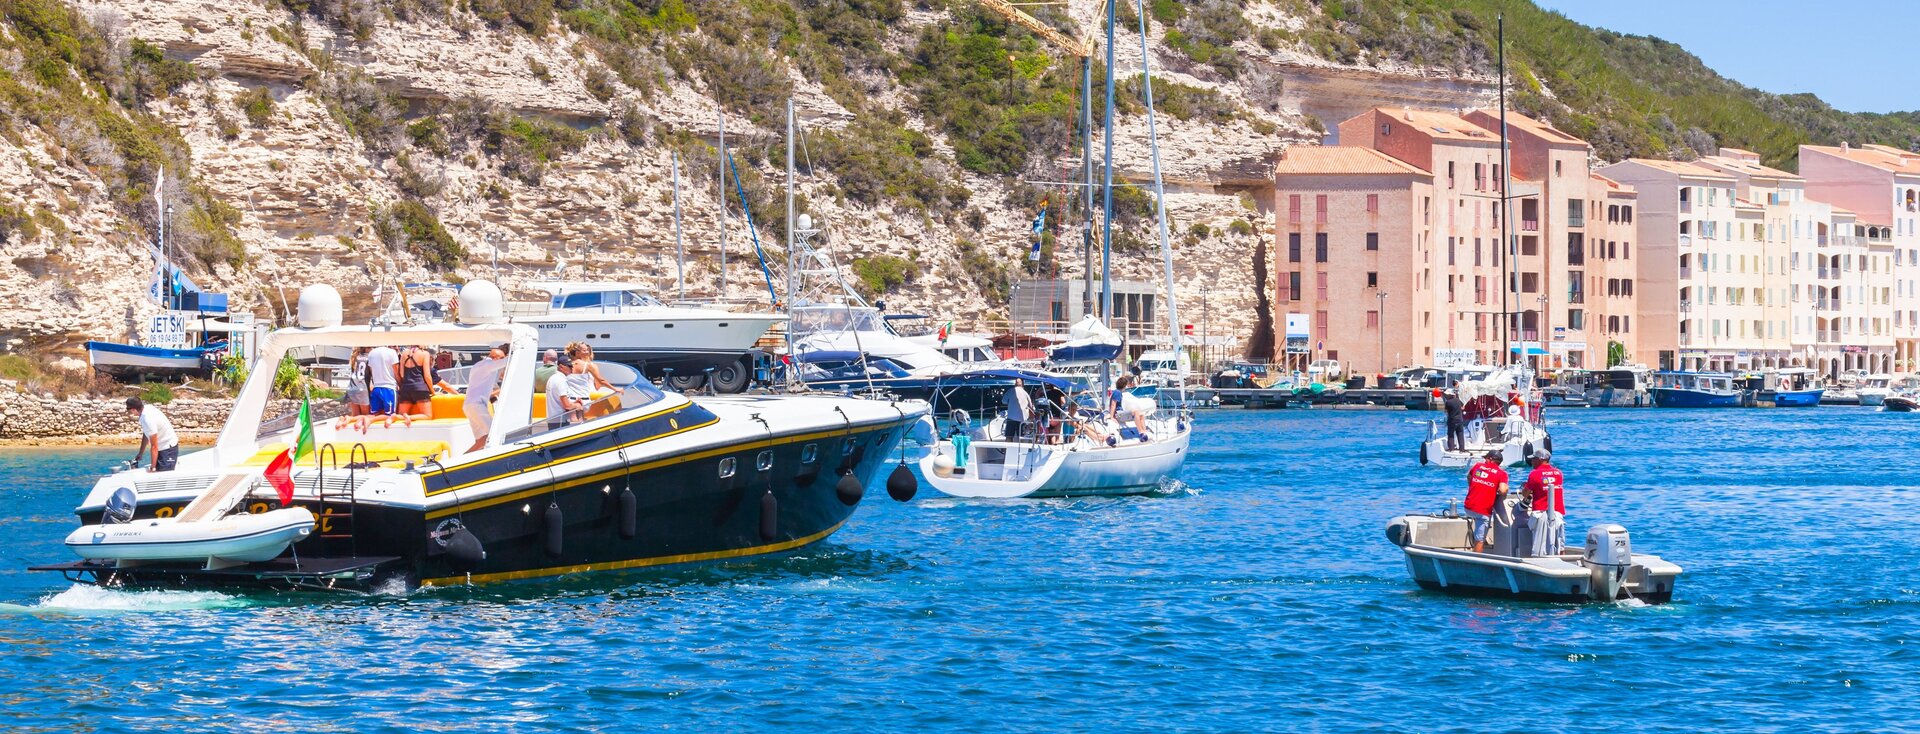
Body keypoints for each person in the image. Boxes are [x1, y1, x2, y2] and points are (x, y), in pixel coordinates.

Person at [463, 344, 510, 453]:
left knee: (481, 440)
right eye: (501, 359)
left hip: (469, 405)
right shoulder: (488, 365)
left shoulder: (478, 365)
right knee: (492, 436)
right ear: (496, 358)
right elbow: (508, 361)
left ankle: (466, 461)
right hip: (477, 405)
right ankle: (462, 458)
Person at [1463, 449, 1507, 553]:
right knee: (1480, 540)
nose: (1484, 460)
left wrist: (1475, 486)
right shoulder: (1502, 474)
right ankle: (1476, 562)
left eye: (1486, 458)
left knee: (1479, 524)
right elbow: (1503, 490)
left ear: (1490, 459)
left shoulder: (1477, 466)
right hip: (1483, 511)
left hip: (1468, 507)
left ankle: (1479, 538)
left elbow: (1469, 477)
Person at [1525, 448, 1566, 557]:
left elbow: (1525, 493)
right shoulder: (1558, 473)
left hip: (1540, 513)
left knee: (1539, 544)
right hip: (1557, 513)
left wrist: (1526, 488)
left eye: (1534, 459)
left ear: (1540, 459)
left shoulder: (1534, 474)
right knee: (1559, 541)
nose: (1532, 462)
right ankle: (1562, 562)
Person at [125, 397, 179, 472]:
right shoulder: (146, 409)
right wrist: (141, 453)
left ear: (133, 409)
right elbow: (147, 433)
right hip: (161, 447)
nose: (130, 412)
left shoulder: (147, 418)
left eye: (129, 410)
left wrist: (153, 468)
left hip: (168, 448)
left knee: (162, 475)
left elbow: (154, 447)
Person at [365, 343, 402, 427]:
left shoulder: (371, 353)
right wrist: (401, 386)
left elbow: (372, 372)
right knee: (390, 416)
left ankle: (353, 418)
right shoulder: (392, 352)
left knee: (374, 413)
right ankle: (370, 420)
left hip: (376, 387)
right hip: (389, 388)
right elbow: (397, 373)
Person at [396, 345, 436, 420]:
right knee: (428, 416)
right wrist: (432, 391)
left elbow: (401, 374)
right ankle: (409, 418)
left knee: (401, 416)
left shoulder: (404, 353)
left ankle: (394, 416)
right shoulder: (425, 354)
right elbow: (427, 376)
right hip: (420, 388)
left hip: (405, 388)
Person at [545, 356, 584, 426]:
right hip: (560, 421)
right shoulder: (561, 380)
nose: (572, 368)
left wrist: (573, 402)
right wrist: (577, 405)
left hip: (554, 419)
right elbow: (567, 406)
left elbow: (560, 401)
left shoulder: (553, 378)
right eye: (569, 366)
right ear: (561, 367)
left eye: (572, 366)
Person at [1002, 377, 1033, 441]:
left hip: (1011, 417)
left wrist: (1010, 402)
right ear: (1022, 384)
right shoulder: (1025, 393)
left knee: (1009, 436)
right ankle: (1021, 449)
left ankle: (1007, 449)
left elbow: (1003, 401)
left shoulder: (1011, 391)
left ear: (1015, 383)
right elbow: (1030, 406)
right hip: (1022, 418)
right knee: (1021, 436)